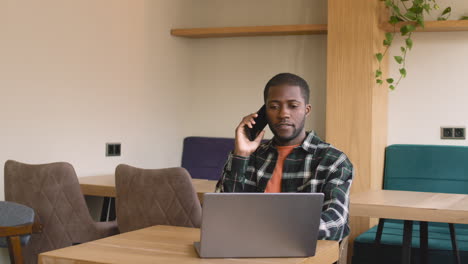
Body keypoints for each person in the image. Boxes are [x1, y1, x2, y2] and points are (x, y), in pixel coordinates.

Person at [215, 73, 354, 241]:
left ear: (306, 110)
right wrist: (241, 155)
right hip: (246, 249)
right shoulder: (251, 156)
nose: (283, 114)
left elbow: (336, 223)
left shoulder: (332, 161)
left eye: (293, 106)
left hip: (302, 252)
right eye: (273, 107)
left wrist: (275, 230)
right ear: (264, 113)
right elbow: (222, 214)